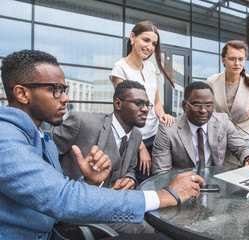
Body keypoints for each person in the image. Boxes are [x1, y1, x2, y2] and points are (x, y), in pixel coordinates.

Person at [0, 49, 204, 239]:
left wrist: (90, 181)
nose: (65, 98)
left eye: (64, 89)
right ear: (22, 94)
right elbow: (61, 198)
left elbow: (48, 200)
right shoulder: (5, 139)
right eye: (56, 90)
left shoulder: (41, 138)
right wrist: (164, 195)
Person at [48, 80, 154, 235]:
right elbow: (44, 152)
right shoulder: (82, 122)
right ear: (118, 104)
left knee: (152, 220)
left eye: (147, 104)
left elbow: (130, 169)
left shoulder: (136, 135)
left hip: (111, 206)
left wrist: (130, 179)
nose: (145, 109)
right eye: (138, 103)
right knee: (144, 229)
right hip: (75, 212)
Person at [110, 20, 175, 183]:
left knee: (158, 180)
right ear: (132, 37)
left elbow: (157, 102)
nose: (150, 47)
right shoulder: (120, 68)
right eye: (146, 40)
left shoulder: (150, 68)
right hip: (136, 139)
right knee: (140, 183)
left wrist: (163, 115)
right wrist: (140, 147)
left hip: (155, 136)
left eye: (154, 43)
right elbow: (122, 112)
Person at [151, 81, 249, 176]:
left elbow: (241, 148)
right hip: (181, 187)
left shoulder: (222, 122)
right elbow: (161, 173)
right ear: (184, 105)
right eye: (196, 105)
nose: (203, 110)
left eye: (209, 105)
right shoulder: (167, 130)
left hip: (216, 185)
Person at [207, 40, 249, 166]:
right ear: (223, 60)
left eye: (241, 59)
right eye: (232, 59)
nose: (237, 63)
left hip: (244, 136)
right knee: (220, 170)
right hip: (220, 134)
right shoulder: (212, 81)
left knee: (244, 169)